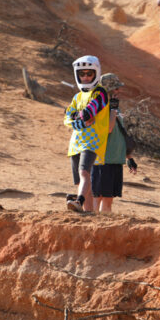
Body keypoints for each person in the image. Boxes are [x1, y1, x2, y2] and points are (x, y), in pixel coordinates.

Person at [64, 55, 111, 213]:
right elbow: (67, 117)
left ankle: (79, 201)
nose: (85, 77)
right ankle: (88, 213)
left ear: (95, 73)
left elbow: (89, 111)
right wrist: (79, 120)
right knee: (79, 181)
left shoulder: (101, 93)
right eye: (82, 74)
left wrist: (76, 117)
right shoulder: (77, 97)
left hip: (93, 141)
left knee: (85, 172)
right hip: (76, 142)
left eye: (89, 73)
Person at [91, 73, 138, 213]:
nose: (119, 91)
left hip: (115, 160)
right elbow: (109, 129)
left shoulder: (115, 107)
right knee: (99, 199)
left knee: (108, 200)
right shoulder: (101, 106)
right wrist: (112, 109)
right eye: (116, 89)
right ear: (108, 90)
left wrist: (129, 158)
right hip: (103, 160)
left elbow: (119, 133)